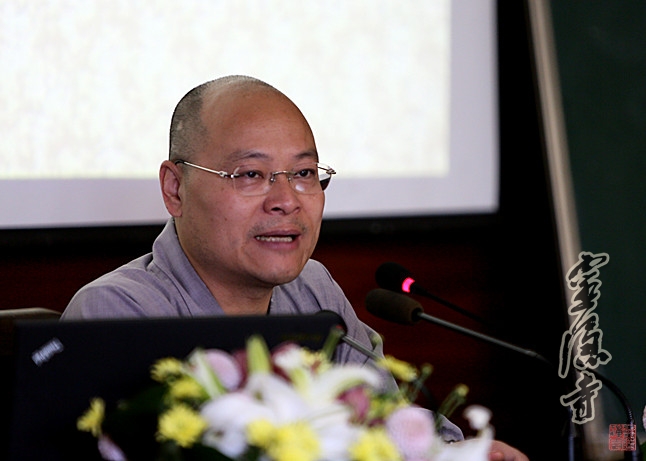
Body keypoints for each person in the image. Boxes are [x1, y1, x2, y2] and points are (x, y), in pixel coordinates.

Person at [62, 75, 528, 461]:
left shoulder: (313, 290)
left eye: (304, 174)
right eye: (250, 175)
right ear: (175, 189)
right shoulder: (117, 310)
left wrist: (457, 454)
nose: (286, 200)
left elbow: (387, 419)